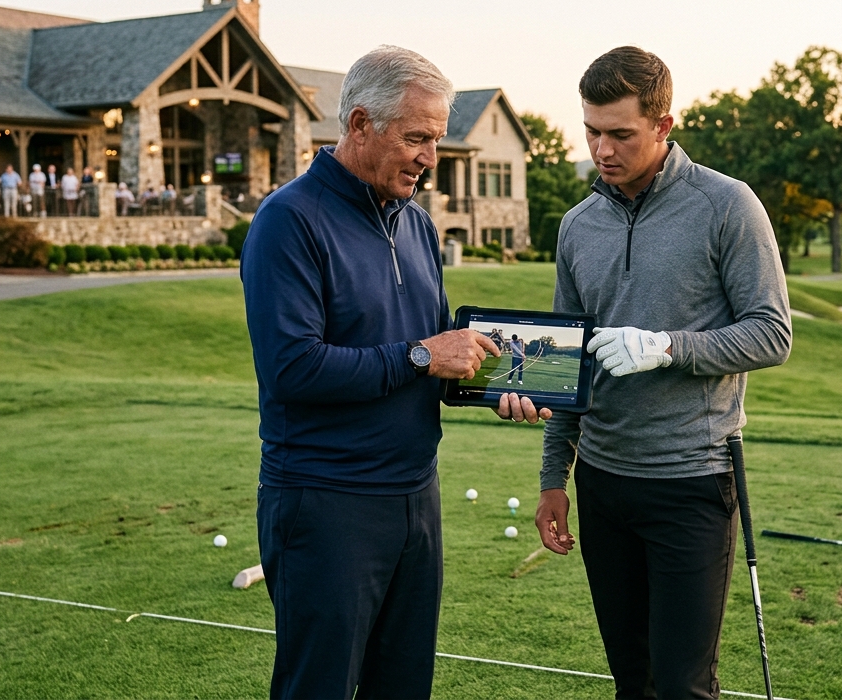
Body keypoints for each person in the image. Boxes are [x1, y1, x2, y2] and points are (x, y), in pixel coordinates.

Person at [526, 47, 793, 700]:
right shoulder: (577, 225)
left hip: (690, 484)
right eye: (590, 130)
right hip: (603, 482)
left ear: (665, 125)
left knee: (683, 687)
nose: (602, 149)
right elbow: (566, 362)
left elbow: (773, 333)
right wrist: (551, 477)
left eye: (620, 133)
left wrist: (667, 347)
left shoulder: (727, 206)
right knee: (632, 683)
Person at [241, 46, 504, 700]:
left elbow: (433, 360)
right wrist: (421, 355)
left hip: (416, 498)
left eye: (437, 140)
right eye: (417, 138)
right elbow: (293, 368)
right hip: (326, 503)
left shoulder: (416, 225)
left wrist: (493, 388)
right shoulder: (288, 221)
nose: (430, 158)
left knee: (403, 687)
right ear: (360, 125)